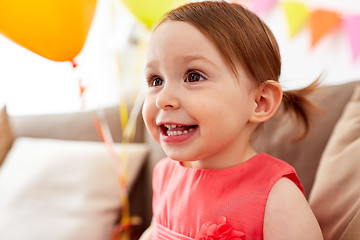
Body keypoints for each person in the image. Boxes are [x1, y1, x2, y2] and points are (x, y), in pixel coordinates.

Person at [140, 1, 323, 239]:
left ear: (260, 102)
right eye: (156, 80)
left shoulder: (275, 197)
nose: (163, 98)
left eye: (193, 76)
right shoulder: (164, 174)